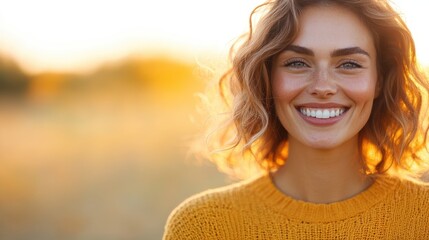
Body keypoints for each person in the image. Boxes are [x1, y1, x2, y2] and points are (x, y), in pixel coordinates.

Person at [163, 0, 429, 239]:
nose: (322, 86)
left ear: (379, 81)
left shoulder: (423, 218)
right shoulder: (202, 227)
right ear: (267, 79)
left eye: (349, 64)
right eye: (297, 63)